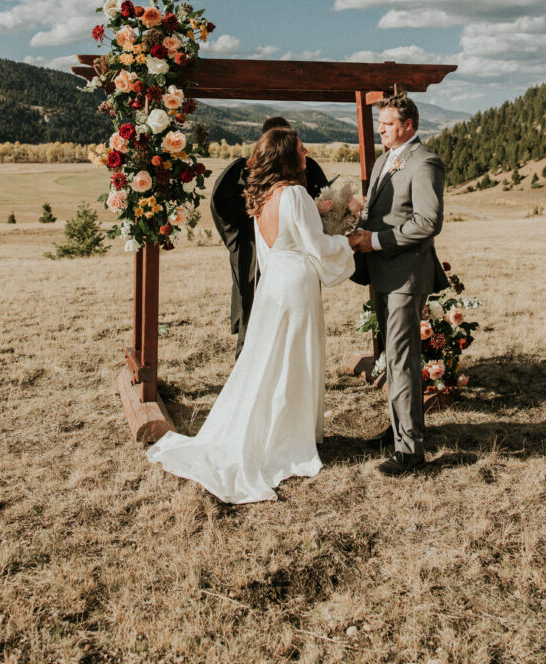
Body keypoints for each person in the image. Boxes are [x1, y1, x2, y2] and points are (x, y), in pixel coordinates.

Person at [147, 127, 354, 503]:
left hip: (273, 285)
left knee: (269, 362)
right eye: (301, 148)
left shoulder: (263, 196)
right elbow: (317, 245)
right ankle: (286, 440)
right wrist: (347, 240)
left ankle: (274, 429)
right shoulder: (294, 194)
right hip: (296, 286)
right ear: (287, 156)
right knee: (293, 362)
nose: (307, 152)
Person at [348, 95, 448, 476]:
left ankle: (410, 451)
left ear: (409, 125)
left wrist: (373, 241)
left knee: (403, 359)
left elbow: (427, 222)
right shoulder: (382, 160)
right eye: (380, 123)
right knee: (393, 355)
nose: (381, 129)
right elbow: (378, 212)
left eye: (388, 124)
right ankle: (398, 429)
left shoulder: (425, 162)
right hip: (383, 273)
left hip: (407, 274)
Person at [210, 116, 328, 358]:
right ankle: (248, 355)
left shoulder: (309, 167)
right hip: (253, 248)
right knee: (253, 305)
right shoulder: (241, 169)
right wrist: (242, 236)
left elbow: (320, 201)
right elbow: (221, 207)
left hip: (295, 254)